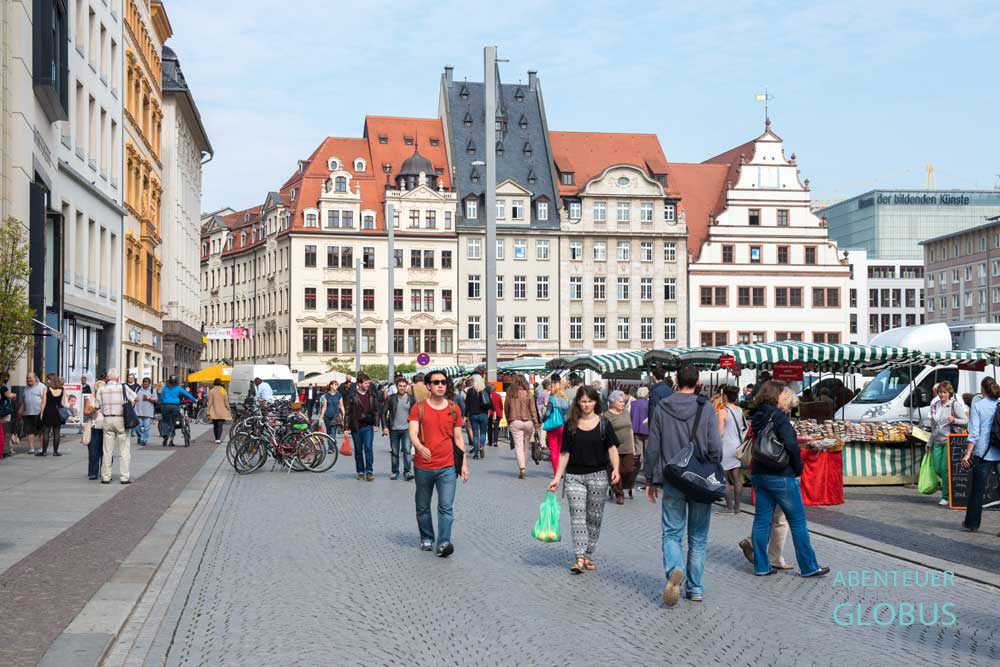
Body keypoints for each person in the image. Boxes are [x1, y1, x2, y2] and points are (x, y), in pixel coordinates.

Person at [644, 365, 723, 605]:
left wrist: (650, 479)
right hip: (699, 481)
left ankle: (675, 569)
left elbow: (653, 447)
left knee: (671, 533)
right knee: (698, 537)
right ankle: (696, 587)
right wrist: (712, 467)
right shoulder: (706, 408)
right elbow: (715, 448)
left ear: (676, 380)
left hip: (673, 479)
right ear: (698, 381)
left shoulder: (661, 408)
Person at [747, 381, 830, 578]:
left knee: (761, 520)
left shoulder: (757, 415)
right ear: (777, 395)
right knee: (798, 521)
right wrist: (798, 469)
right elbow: (791, 445)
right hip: (781, 474)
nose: (785, 397)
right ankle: (809, 566)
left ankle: (761, 566)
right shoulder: (779, 417)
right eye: (783, 394)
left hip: (759, 472)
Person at [547, 386, 621, 574]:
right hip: (574, 477)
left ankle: (588, 554)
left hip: (598, 476)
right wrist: (557, 477)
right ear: (577, 403)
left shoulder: (604, 424)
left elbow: (612, 448)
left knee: (594, 518)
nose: (587, 405)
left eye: (590, 401)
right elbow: (564, 453)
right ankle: (579, 557)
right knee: (577, 517)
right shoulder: (570, 425)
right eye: (583, 401)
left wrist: (616, 469)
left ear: (596, 402)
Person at [409, 369, 468, 557]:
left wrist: (464, 465)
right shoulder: (418, 408)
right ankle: (427, 537)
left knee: (446, 506)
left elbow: (459, 438)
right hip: (423, 466)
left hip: (447, 465)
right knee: (423, 505)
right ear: (428, 386)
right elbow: (412, 433)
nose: (440, 385)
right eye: (436, 382)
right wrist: (419, 447)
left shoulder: (453, 408)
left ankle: (443, 542)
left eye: (443, 382)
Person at [961, 377, 1000, 532]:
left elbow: (974, 433)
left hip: (983, 453)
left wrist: (967, 454)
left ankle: (972, 523)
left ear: (982, 389)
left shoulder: (978, 406)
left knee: (978, 490)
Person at [928, 381, 968, 507]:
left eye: (944, 392)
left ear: (949, 393)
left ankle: (945, 495)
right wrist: (929, 442)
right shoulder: (935, 405)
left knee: (945, 469)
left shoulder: (954, 405)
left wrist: (954, 420)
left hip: (948, 440)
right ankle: (949, 488)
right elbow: (933, 426)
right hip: (937, 440)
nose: (941, 395)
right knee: (937, 468)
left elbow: (967, 421)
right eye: (940, 392)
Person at [94, 369, 137, 484]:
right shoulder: (123, 387)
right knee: (124, 450)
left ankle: (106, 477)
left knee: (107, 450)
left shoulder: (101, 389)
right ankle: (124, 477)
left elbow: (97, 405)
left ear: (108, 378)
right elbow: (135, 398)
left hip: (107, 419)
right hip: (121, 419)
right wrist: (130, 406)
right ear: (117, 378)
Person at [344, 373, 382, 481]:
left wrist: (376, 424)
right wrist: (346, 427)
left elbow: (376, 410)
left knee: (368, 448)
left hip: (368, 426)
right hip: (356, 426)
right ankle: (360, 471)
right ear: (359, 384)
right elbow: (347, 412)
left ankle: (369, 471)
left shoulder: (372, 395)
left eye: (368, 383)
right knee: (358, 450)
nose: (368, 385)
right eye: (366, 383)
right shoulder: (352, 395)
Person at [503, 375, 541, 479]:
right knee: (525, 446)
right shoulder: (528, 393)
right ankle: (524, 466)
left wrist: (508, 420)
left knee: (518, 446)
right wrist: (536, 424)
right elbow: (533, 410)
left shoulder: (510, 393)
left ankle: (522, 468)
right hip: (528, 421)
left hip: (515, 421)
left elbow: (506, 408)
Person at [717, 385, 747, 515]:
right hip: (737, 447)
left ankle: (729, 506)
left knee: (723, 478)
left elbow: (720, 433)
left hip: (725, 447)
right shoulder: (740, 410)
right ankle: (737, 507)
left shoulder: (723, 412)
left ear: (725, 396)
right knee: (736, 477)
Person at [606, 390, 636, 504]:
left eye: (623, 402)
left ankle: (619, 486)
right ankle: (619, 495)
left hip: (628, 447)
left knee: (628, 470)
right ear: (613, 402)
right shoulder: (607, 415)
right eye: (620, 402)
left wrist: (633, 446)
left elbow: (631, 429)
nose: (623, 404)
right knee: (616, 471)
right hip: (615, 449)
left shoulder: (626, 413)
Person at [383, 377, 415, 481]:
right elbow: (383, 413)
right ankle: (395, 471)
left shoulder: (411, 399)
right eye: (400, 386)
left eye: (404, 386)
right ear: (396, 387)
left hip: (407, 429)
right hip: (394, 429)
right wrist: (385, 427)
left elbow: (416, 415)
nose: (402, 388)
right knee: (395, 452)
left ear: (407, 387)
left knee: (407, 450)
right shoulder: (391, 398)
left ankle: (407, 471)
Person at [159, 376, 197, 447]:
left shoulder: (165, 388)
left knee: (165, 421)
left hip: (165, 406)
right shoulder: (178, 388)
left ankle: (165, 435)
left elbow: (161, 397)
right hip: (175, 406)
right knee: (174, 422)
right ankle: (171, 440)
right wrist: (194, 400)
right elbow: (187, 394)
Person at [543, 378, 571, 475]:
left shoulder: (552, 399)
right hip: (563, 426)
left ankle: (556, 472)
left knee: (553, 450)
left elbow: (547, 414)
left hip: (553, 426)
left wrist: (543, 420)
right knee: (560, 450)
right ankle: (562, 470)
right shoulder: (566, 399)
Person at [37, 374, 67, 456]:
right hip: (57, 413)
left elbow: (43, 403)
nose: (47, 381)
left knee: (46, 432)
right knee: (56, 432)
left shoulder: (46, 389)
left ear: (52, 380)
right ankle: (55, 452)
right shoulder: (62, 389)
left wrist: (41, 414)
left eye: (48, 379)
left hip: (48, 412)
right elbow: (63, 403)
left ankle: (44, 452)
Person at [18, 372, 45, 454]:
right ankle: (31, 448)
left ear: (35, 378)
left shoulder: (41, 386)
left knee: (41, 431)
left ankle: (42, 448)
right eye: (27, 378)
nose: (28, 379)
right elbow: (23, 400)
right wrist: (21, 409)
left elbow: (44, 400)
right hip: (28, 413)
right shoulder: (26, 388)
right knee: (30, 431)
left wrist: (42, 412)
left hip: (38, 412)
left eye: (30, 378)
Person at [464, 374, 490, 460]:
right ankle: (481, 447)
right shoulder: (485, 390)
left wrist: (465, 415)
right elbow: (489, 402)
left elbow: (467, 405)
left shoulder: (470, 391)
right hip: (483, 414)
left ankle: (475, 454)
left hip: (473, 415)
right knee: (483, 433)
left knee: (475, 435)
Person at [84, 379, 105, 480]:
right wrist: (93, 410)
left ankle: (105, 472)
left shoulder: (108, 398)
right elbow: (85, 412)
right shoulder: (90, 398)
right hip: (94, 426)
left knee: (106, 451)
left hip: (106, 427)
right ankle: (93, 473)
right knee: (93, 451)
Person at [319, 381, 344, 451]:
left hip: (335, 416)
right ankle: (332, 443)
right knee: (328, 432)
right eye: (335, 385)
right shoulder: (326, 396)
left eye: (337, 385)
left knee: (333, 432)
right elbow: (324, 407)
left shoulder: (339, 395)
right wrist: (321, 417)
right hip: (327, 416)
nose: (337, 386)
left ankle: (331, 448)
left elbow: (341, 406)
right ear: (331, 386)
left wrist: (344, 414)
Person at [133, 377, 157, 446]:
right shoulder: (138, 389)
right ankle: (140, 436)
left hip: (148, 412)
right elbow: (133, 397)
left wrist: (149, 398)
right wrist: (134, 399)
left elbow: (155, 400)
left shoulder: (152, 390)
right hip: (138, 412)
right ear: (142, 383)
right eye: (144, 383)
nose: (145, 384)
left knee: (146, 427)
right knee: (138, 427)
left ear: (149, 384)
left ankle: (144, 440)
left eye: (147, 383)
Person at [206, 379, 231, 444]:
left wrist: (208, 410)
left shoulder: (211, 391)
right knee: (220, 425)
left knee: (215, 425)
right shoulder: (223, 391)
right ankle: (218, 439)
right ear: (220, 383)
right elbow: (226, 402)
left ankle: (216, 438)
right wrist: (228, 408)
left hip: (214, 410)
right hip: (222, 411)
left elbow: (210, 402)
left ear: (214, 383)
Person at [630, 386, 650, 465]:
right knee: (647, 448)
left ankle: (640, 465)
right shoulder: (649, 403)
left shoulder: (633, 403)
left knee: (638, 448)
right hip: (646, 428)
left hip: (636, 428)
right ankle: (647, 465)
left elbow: (631, 415)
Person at [1, 373, 16, 458]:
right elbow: (9, 395)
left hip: (3, 410)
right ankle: (6, 449)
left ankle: (7, 448)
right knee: (6, 430)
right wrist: (14, 395)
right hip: (5, 411)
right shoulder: (3, 387)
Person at [486, 383, 503, 448]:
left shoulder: (488, 396)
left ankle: (490, 442)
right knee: (496, 428)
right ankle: (495, 442)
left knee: (489, 428)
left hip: (490, 413)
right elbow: (501, 405)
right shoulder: (498, 396)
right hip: (498, 413)